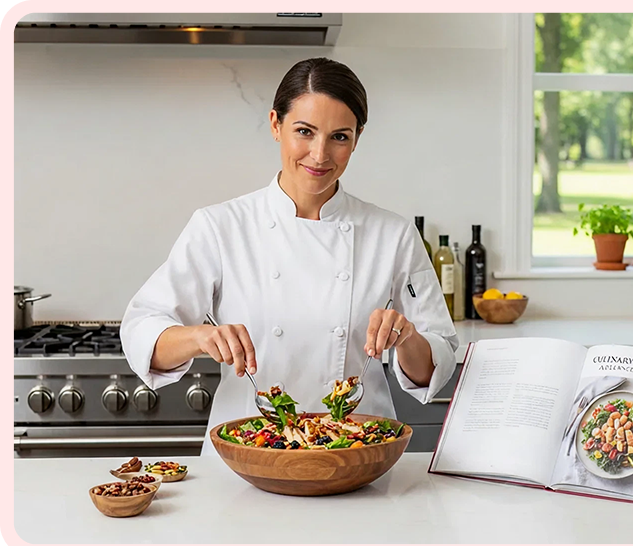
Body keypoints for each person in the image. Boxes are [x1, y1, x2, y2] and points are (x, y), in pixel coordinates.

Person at [120, 57, 459, 455]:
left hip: (356, 456)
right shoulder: (220, 226)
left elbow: (435, 363)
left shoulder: (392, 234)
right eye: (304, 131)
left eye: (340, 137)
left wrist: (407, 338)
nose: (319, 155)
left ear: (358, 137)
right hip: (248, 455)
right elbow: (142, 331)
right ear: (275, 125)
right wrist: (201, 336)